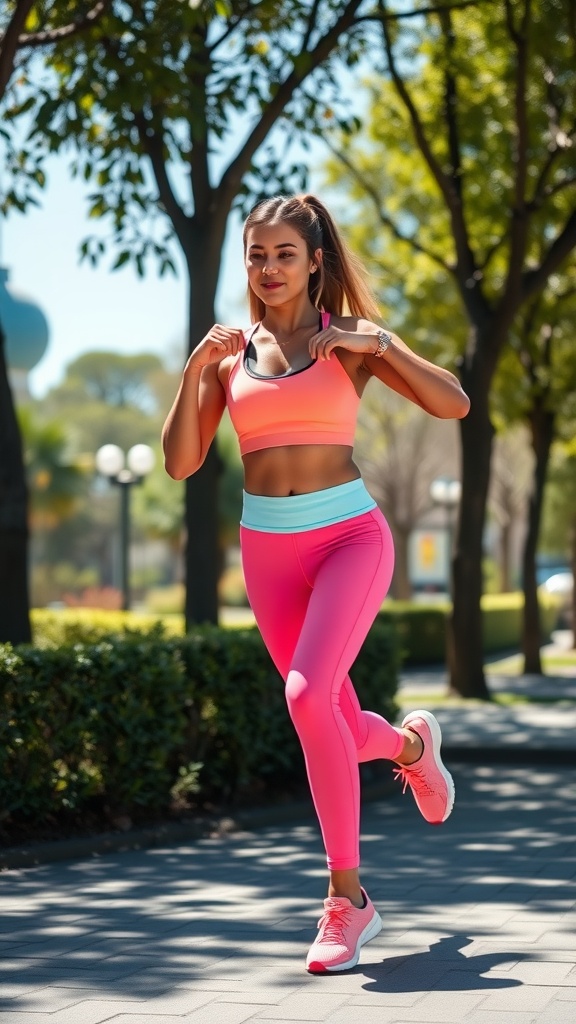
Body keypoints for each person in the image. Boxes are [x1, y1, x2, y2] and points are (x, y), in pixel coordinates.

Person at [162, 193, 470, 974]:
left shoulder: (347, 345)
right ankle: (409, 744)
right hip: (268, 552)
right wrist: (194, 371)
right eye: (256, 256)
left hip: (348, 538)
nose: (268, 270)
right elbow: (179, 462)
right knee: (325, 711)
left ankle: (347, 900)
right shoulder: (231, 358)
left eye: (284, 255)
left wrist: (383, 341)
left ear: (315, 261)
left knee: (306, 697)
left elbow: (454, 402)